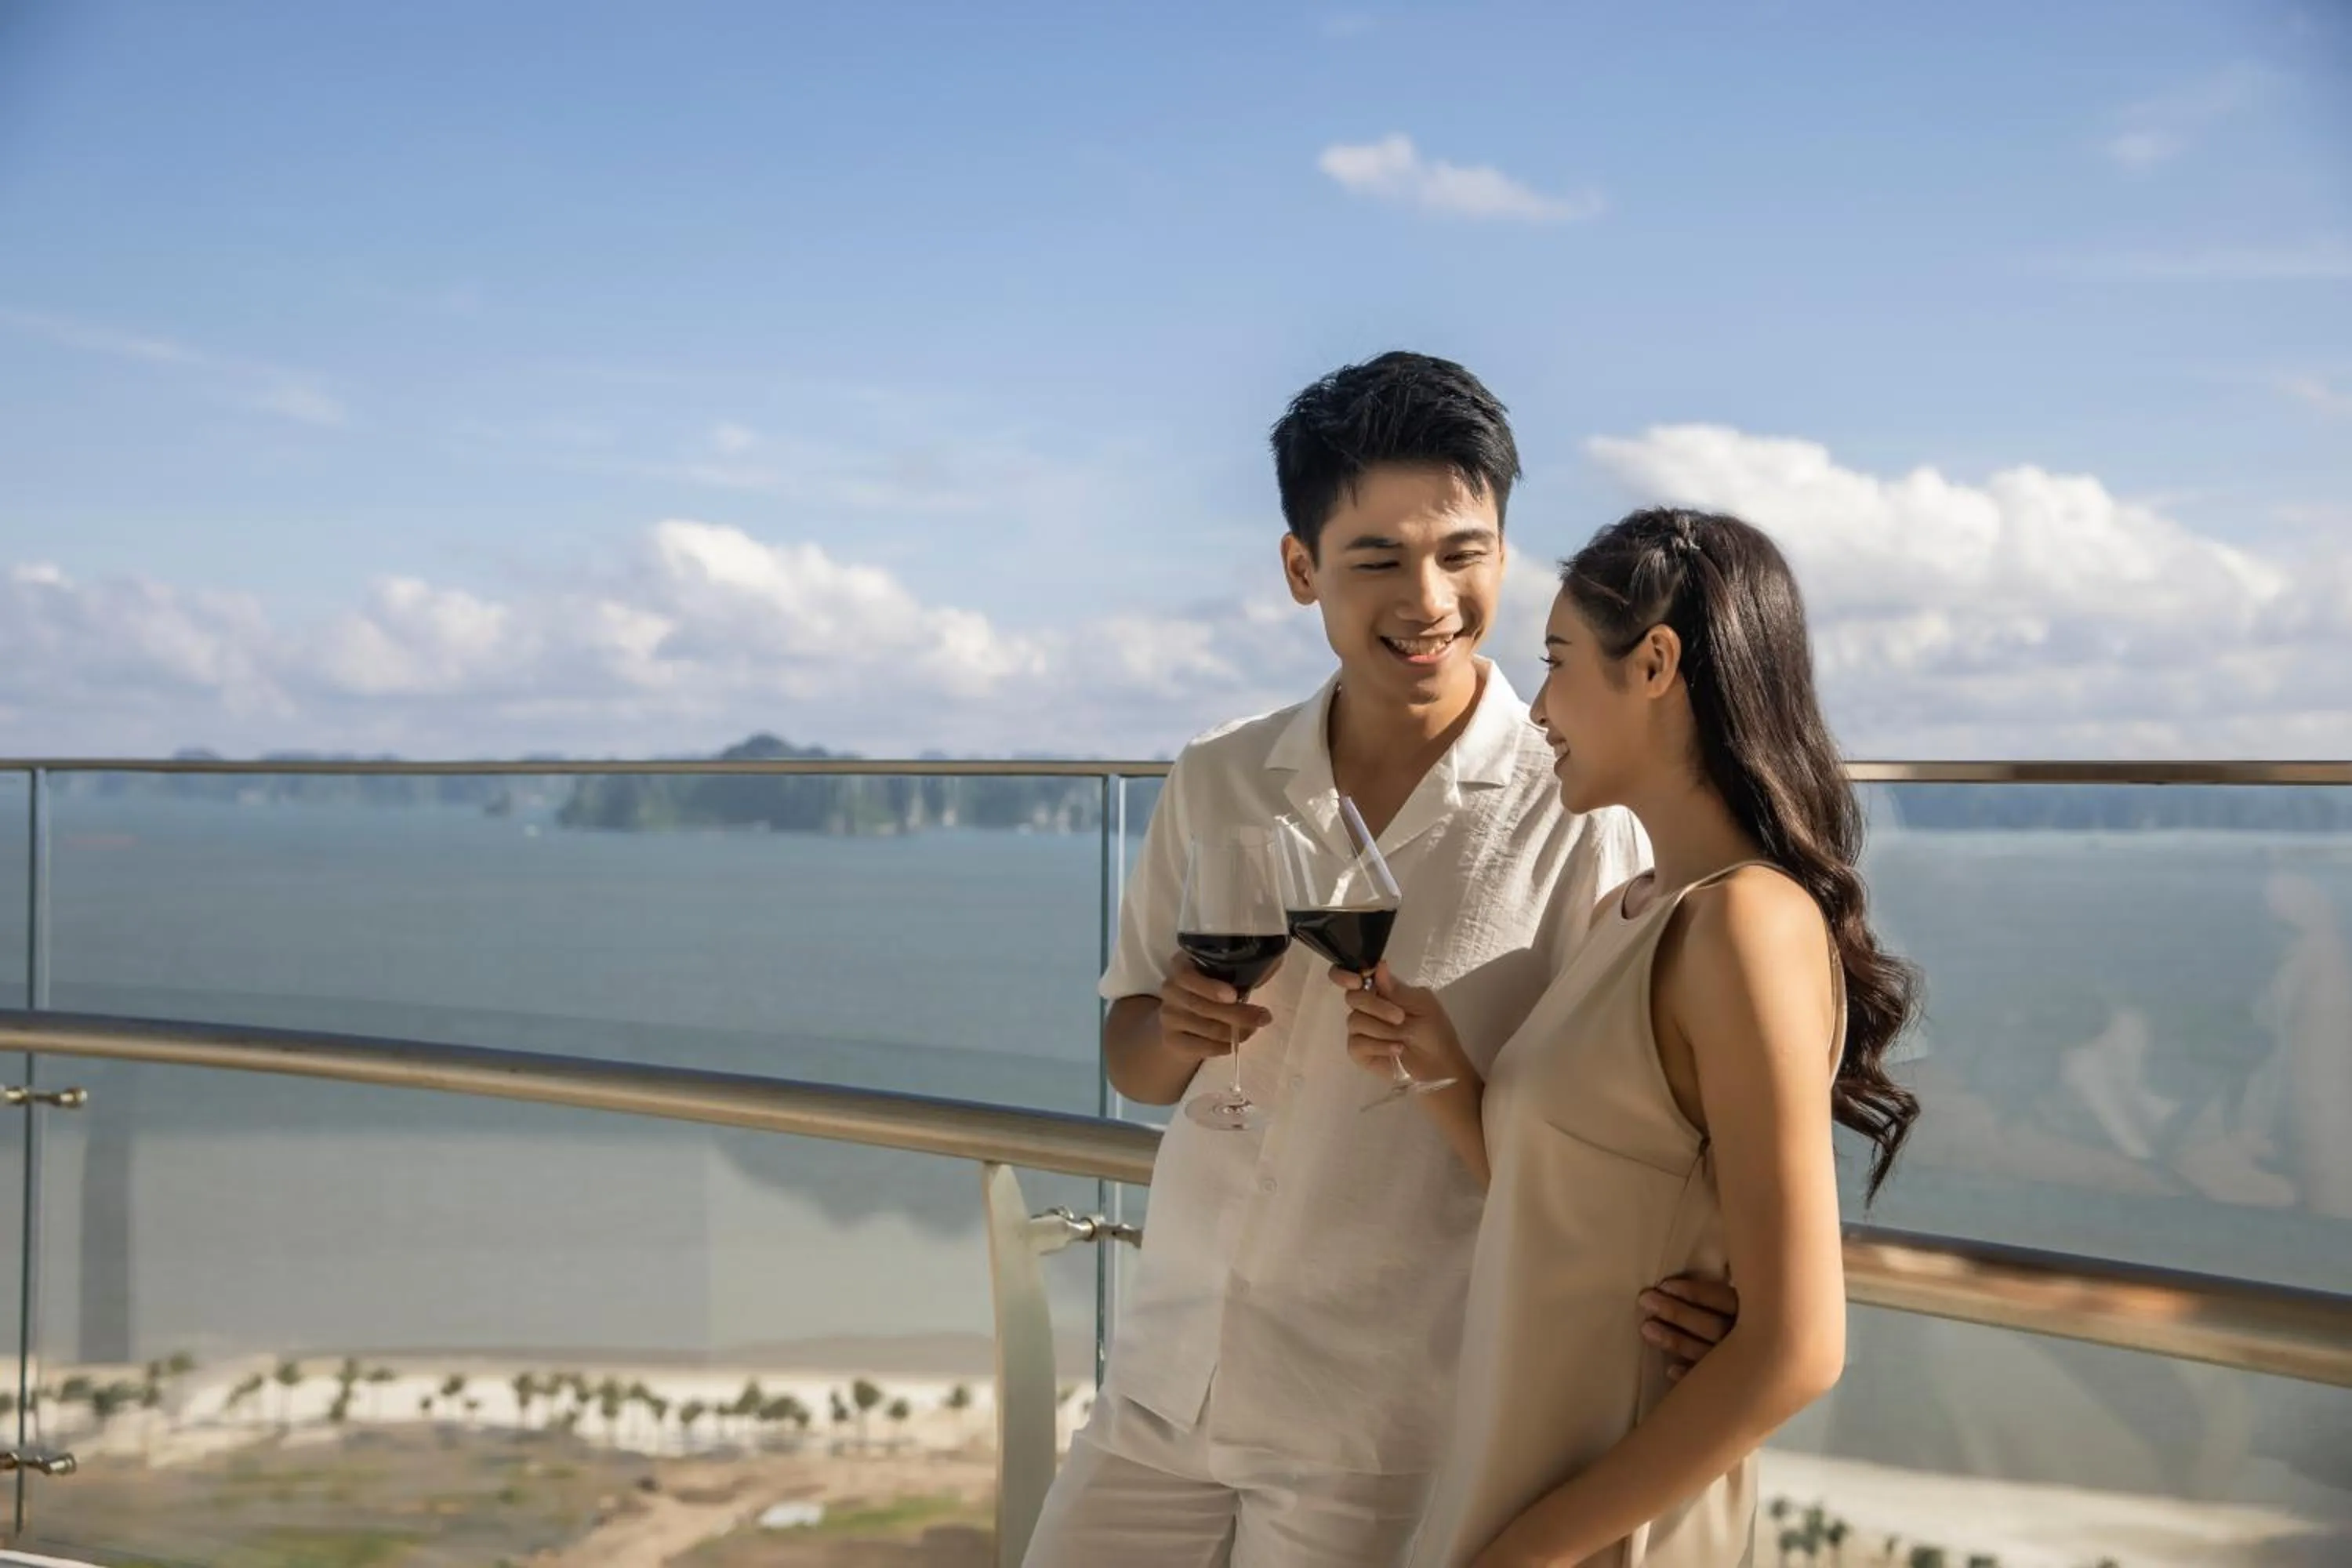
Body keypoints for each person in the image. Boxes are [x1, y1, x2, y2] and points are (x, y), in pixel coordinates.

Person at [1023, 356, 1740, 1567]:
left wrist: (1710, 1283)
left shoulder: (1586, 815)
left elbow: (1641, 1125)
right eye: (1377, 560)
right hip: (1160, 1384)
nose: (1431, 598)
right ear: (1302, 569)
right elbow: (1133, 1061)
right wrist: (1176, 1031)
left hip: (1382, 1420)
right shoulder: (1218, 776)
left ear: (1507, 555)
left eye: (1465, 552)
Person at [1336, 508, 1922, 1567]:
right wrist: (1444, 1072)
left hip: (1605, 1522)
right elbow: (1567, 1200)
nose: (1542, 708)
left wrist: (1527, 1553)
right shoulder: (1634, 910)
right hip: (1519, 1477)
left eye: (1558, 663)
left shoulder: (1745, 923)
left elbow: (1797, 1346)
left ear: (1655, 663)